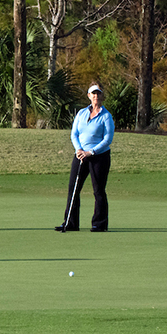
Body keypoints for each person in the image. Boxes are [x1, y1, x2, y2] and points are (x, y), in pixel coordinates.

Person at [58, 83, 115, 232]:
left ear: (101, 96)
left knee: (98, 190)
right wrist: (79, 150)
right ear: (89, 96)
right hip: (80, 155)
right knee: (73, 188)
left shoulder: (106, 116)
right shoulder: (81, 113)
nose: (96, 96)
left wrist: (91, 152)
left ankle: (99, 224)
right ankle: (70, 223)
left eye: (98, 93)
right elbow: (74, 134)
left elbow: (107, 139)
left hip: (99, 157)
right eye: (93, 94)